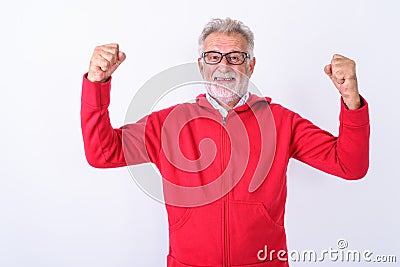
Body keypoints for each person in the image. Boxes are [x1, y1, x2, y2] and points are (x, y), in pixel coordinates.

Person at [81, 18, 369, 267]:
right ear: (201, 65)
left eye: (235, 57)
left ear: (251, 65)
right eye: (213, 57)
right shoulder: (168, 124)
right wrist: (96, 84)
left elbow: (349, 165)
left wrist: (351, 99)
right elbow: (102, 153)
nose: (224, 66)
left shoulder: (281, 121)